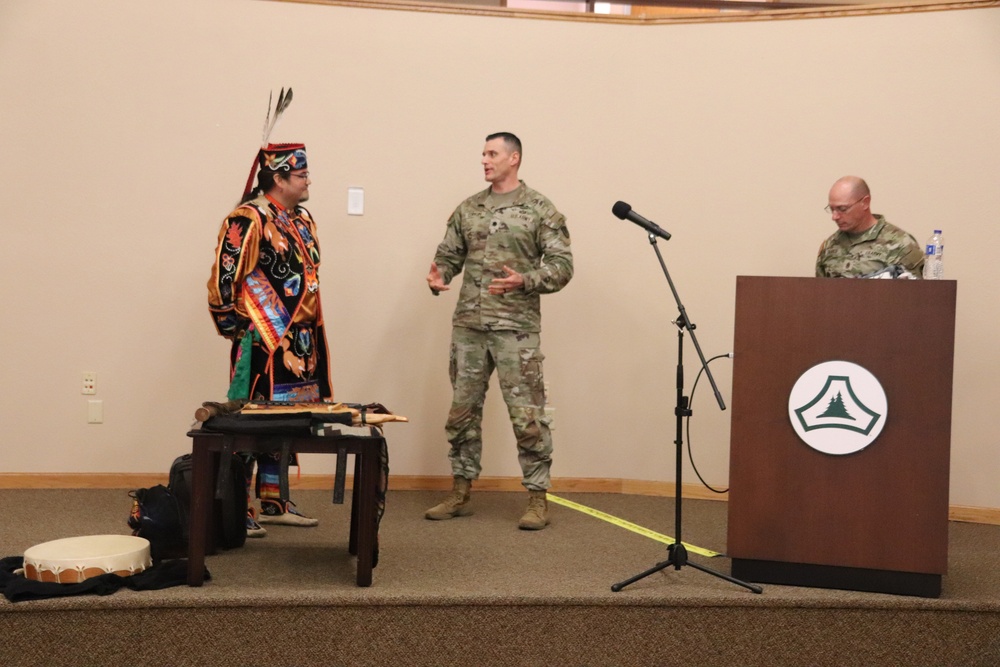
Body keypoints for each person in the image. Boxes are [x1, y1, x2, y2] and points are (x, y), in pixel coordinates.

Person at [424, 132, 573, 530]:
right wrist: (439, 276)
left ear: (514, 158)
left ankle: (538, 499)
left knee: (528, 417)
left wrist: (524, 280)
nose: (485, 160)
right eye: (483, 154)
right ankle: (460, 492)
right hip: (469, 328)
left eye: (492, 154)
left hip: (515, 331)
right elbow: (448, 255)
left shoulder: (540, 209)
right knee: (462, 413)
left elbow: (562, 267)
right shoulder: (469, 209)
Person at [207, 140, 331, 537]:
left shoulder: (303, 217)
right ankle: (239, 509)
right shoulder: (248, 219)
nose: (308, 180)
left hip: (301, 339)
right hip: (263, 338)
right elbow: (226, 279)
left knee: (289, 421)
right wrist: (237, 330)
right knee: (250, 421)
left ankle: (275, 500)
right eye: (301, 174)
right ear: (278, 177)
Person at [816, 176, 924, 279]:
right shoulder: (830, 246)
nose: (835, 216)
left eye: (842, 209)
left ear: (865, 203)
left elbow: (918, 292)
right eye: (832, 209)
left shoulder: (901, 244)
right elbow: (821, 292)